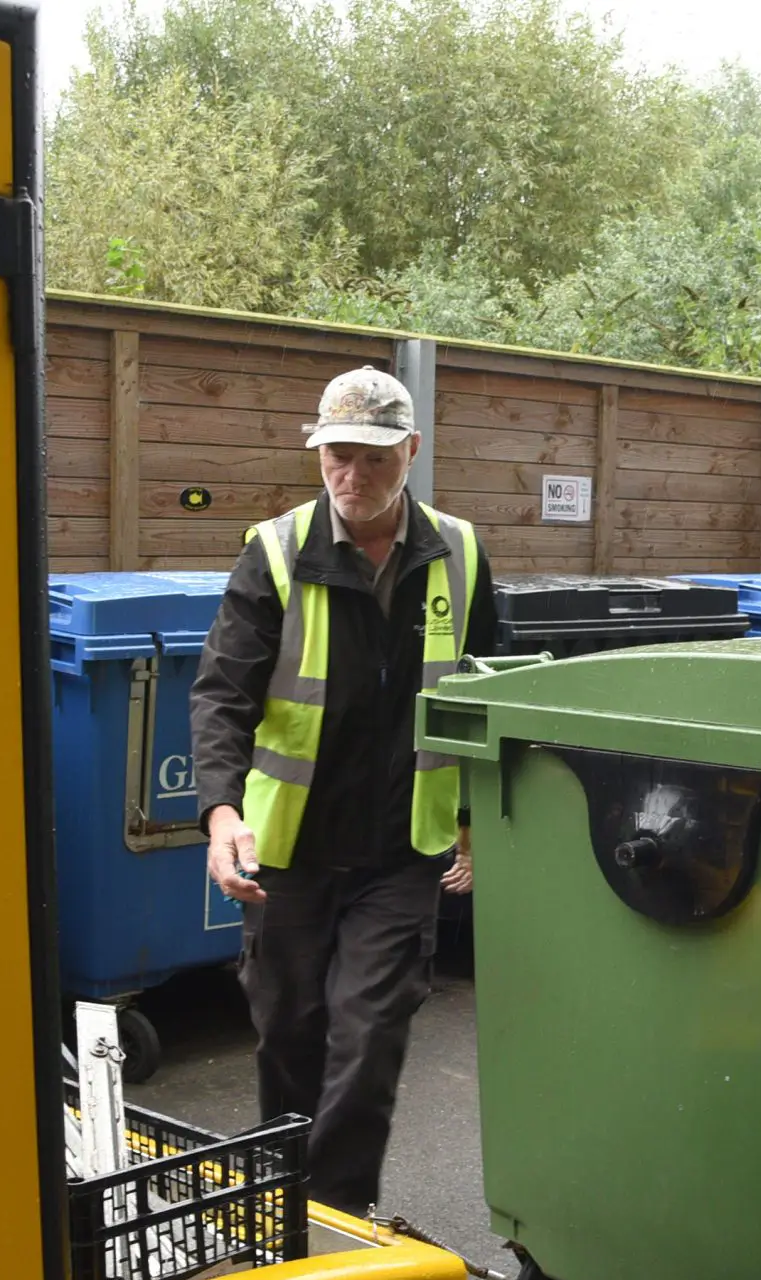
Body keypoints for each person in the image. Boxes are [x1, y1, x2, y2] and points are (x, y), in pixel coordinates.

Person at [189, 368, 495, 1211]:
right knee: (289, 1036)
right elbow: (222, 694)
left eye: (369, 458)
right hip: (287, 850)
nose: (349, 478)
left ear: (411, 452)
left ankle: (335, 1219)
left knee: (369, 1042)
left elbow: (484, 701)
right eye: (334, 458)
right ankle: (283, 1203)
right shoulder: (278, 551)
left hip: (402, 853)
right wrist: (220, 815)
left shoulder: (459, 553)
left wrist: (478, 824)